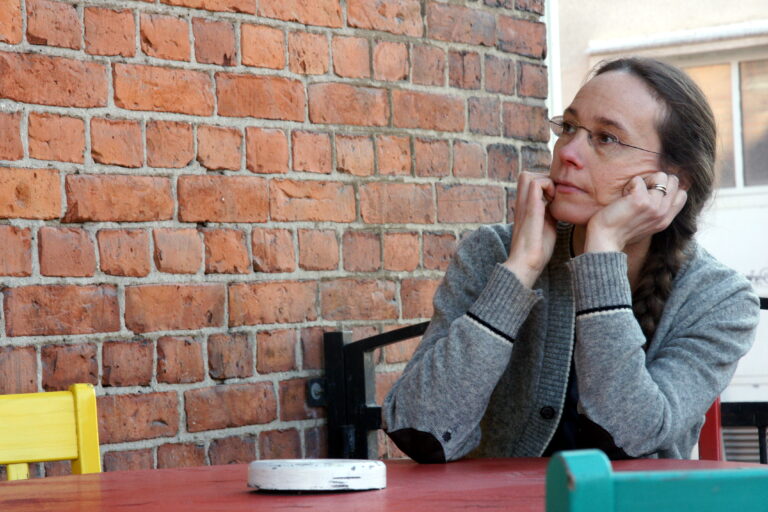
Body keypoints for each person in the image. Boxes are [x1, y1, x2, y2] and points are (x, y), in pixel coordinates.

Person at [382, 57, 760, 462]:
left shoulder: (720, 299)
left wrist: (602, 252)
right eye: (568, 128)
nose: (568, 153)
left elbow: (632, 434)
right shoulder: (493, 253)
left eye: (606, 138)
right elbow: (419, 430)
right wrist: (520, 269)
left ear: (673, 181)